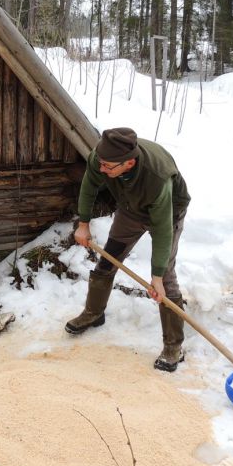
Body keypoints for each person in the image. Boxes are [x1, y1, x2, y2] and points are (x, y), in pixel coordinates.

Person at [66, 127, 191, 372]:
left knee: (165, 278)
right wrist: (83, 224)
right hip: (130, 211)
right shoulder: (102, 156)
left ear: (129, 162)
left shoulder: (156, 177)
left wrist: (155, 277)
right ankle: (93, 312)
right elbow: (89, 186)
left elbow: (163, 231)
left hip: (168, 213)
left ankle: (173, 346)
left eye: (108, 167)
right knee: (108, 260)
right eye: (100, 163)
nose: (101, 169)